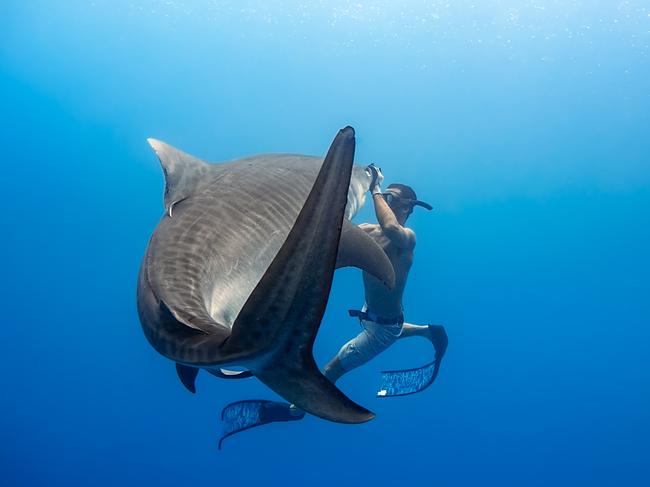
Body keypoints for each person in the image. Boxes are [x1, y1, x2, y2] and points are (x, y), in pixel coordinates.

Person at [321, 165, 447, 389]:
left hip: (383, 328)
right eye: (384, 196)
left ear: (407, 207)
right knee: (391, 325)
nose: (384, 201)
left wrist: (376, 189)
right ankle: (427, 332)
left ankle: (295, 411)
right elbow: (336, 234)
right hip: (373, 313)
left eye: (390, 197)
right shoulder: (368, 230)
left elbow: (390, 227)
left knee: (331, 370)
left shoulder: (407, 239)